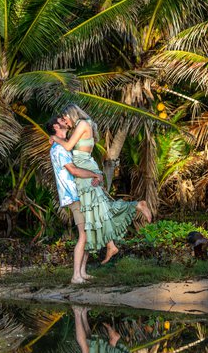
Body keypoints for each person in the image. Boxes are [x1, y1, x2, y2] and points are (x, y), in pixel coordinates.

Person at [51, 104, 152, 263]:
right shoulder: (83, 124)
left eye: (65, 118)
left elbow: (69, 146)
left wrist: (55, 138)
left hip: (84, 168)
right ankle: (111, 244)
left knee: (98, 208)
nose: (66, 122)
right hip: (84, 167)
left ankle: (136, 206)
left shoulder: (83, 124)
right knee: (99, 208)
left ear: (71, 115)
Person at [48, 117, 107, 284]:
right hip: (74, 197)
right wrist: (94, 174)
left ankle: (82, 272)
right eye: (61, 120)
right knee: (83, 235)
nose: (66, 121)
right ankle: (76, 276)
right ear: (55, 126)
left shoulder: (63, 145)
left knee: (86, 234)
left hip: (79, 194)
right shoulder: (58, 149)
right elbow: (73, 171)